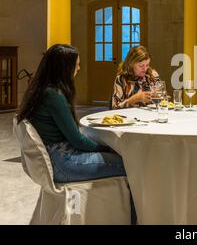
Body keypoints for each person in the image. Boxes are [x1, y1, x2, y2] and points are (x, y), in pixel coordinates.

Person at [16, 44, 127, 183]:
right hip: (62, 162)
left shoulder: (41, 89)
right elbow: (77, 140)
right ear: (64, 68)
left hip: (54, 159)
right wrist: (108, 149)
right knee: (129, 164)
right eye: (77, 65)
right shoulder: (53, 95)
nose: (79, 69)